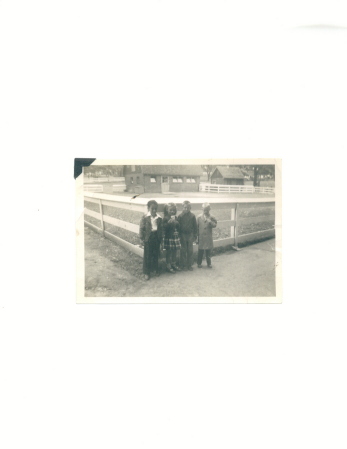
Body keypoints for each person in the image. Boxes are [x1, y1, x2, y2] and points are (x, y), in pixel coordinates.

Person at [139, 200, 163, 280]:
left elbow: (161, 229)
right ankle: (146, 272)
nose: (154, 210)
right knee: (147, 255)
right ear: (148, 208)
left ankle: (155, 269)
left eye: (155, 209)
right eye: (152, 209)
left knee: (155, 254)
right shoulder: (145, 217)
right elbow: (141, 227)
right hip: (148, 238)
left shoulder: (159, 218)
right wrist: (142, 237)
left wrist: (161, 239)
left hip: (156, 237)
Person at [178, 201, 197, 271]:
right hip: (183, 235)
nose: (186, 209)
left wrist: (195, 235)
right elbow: (178, 227)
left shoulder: (192, 216)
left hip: (190, 235)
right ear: (183, 208)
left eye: (188, 207)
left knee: (190, 250)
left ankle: (189, 265)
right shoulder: (180, 216)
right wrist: (179, 235)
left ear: (190, 208)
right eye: (185, 207)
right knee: (183, 250)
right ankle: (182, 264)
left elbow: (195, 226)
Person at [196, 202, 217, 268]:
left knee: (208, 251)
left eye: (207, 210)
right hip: (201, 237)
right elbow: (196, 227)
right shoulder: (199, 217)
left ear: (209, 210)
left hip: (208, 237)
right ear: (202, 209)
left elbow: (215, 225)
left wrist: (210, 221)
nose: (205, 211)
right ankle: (199, 263)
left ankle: (209, 263)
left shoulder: (212, 217)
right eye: (204, 210)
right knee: (200, 251)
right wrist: (197, 237)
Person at [163, 203, 181, 273]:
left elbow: (179, 226)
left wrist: (176, 223)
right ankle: (168, 265)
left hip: (175, 237)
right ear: (167, 210)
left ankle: (174, 263)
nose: (172, 211)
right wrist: (168, 223)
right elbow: (164, 227)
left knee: (175, 251)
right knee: (169, 252)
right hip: (169, 237)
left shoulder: (176, 217)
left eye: (174, 210)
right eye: (171, 210)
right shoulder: (165, 218)